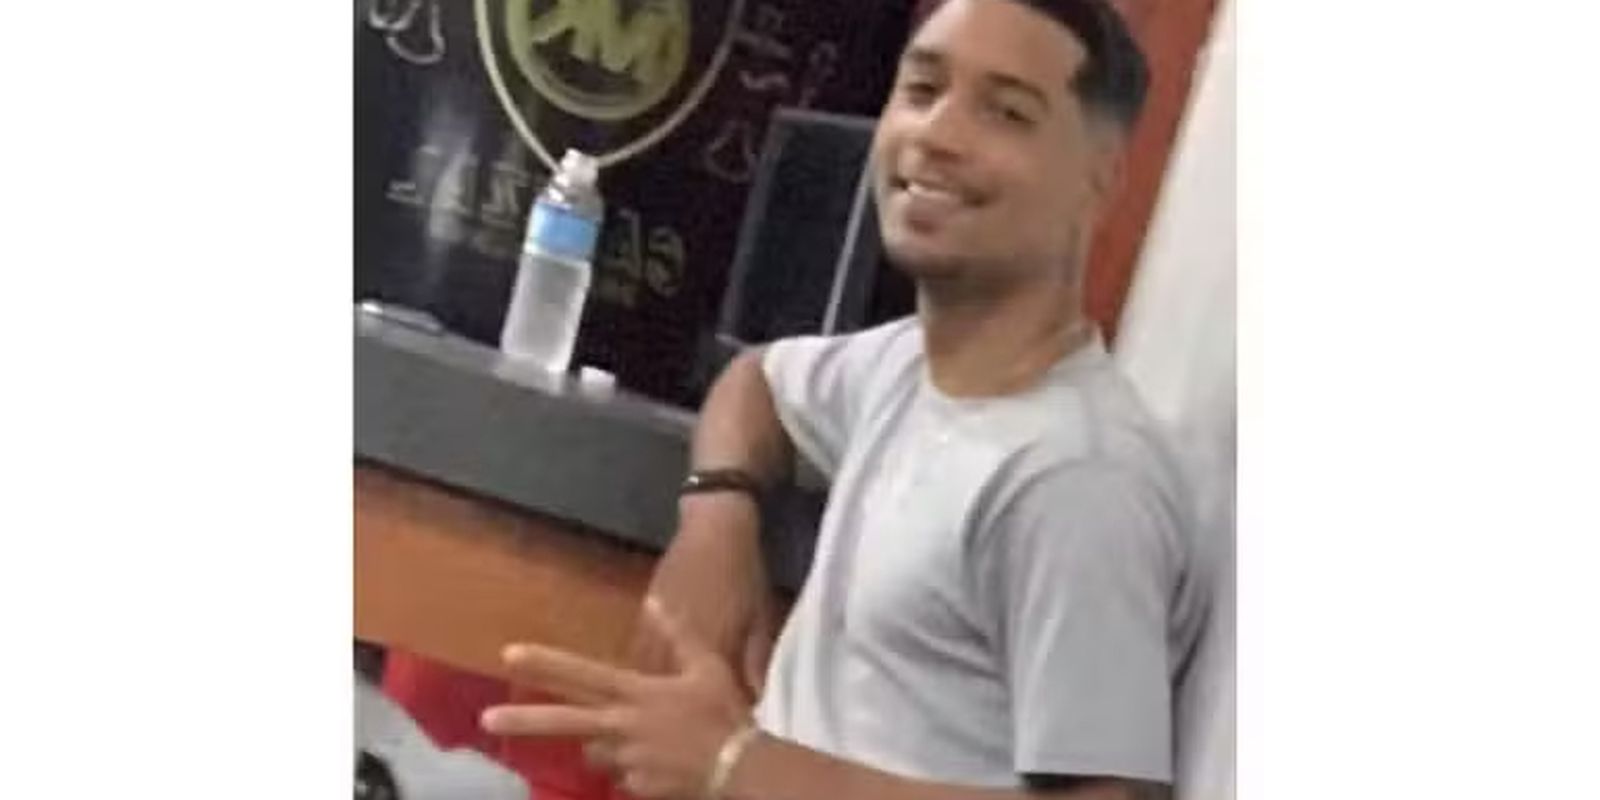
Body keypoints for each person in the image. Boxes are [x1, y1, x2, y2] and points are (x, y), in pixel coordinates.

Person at [481, 1, 1217, 799]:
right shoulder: (905, 367)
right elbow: (757, 382)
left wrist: (734, 765)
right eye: (922, 90)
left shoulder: (1078, 480)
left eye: (1006, 113)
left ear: (1099, 177)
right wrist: (718, 519)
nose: (937, 134)